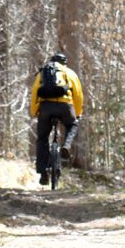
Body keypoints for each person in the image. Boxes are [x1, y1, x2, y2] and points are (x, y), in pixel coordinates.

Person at [30, 53, 84, 185]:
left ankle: (43, 172)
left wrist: (35, 111)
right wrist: (77, 113)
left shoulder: (42, 73)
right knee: (72, 125)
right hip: (65, 106)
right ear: (64, 63)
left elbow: (35, 92)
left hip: (46, 107)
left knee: (42, 138)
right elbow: (78, 95)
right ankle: (66, 145)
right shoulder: (69, 73)